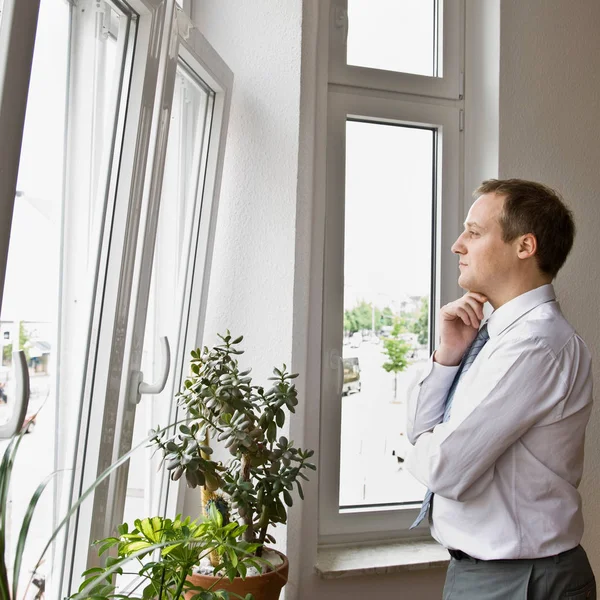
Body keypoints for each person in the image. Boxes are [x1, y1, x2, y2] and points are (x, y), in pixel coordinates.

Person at [405, 179, 595, 599]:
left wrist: (425, 445)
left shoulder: (535, 345)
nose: (457, 245)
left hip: (520, 581)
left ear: (525, 246)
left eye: (473, 232)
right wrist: (448, 356)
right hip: (484, 573)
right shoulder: (495, 336)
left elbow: (444, 469)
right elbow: (422, 433)